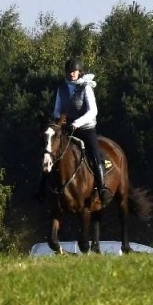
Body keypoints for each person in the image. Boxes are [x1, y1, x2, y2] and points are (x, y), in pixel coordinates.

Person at [51, 57, 111, 205]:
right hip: (67, 129)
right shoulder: (62, 89)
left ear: (79, 72)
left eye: (74, 71)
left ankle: (102, 188)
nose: (72, 74)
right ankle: (44, 188)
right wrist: (59, 118)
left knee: (95, 154)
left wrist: (77, 122)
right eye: (69, 71)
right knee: (50, 151)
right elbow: (56, 110)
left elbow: (93, 111)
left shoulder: (86, 87)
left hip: (86, 128)